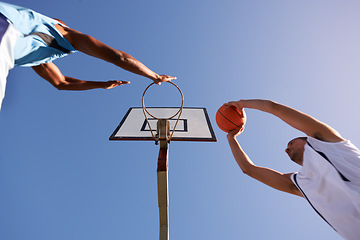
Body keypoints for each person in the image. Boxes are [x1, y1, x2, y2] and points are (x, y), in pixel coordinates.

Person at [225, 99, 360, 240]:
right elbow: (248, 169)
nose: (286, 148)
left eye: (291, 143)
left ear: (307, 140)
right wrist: (231, 138)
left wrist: (241, 104)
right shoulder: (300, 183)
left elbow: (274, 108)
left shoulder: (330, 143)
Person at [0, 2, 175, 110]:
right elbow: (119, 57)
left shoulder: (39, 55)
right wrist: (155, 76)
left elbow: (61, 82)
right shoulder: (65, 33)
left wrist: (102, 84)